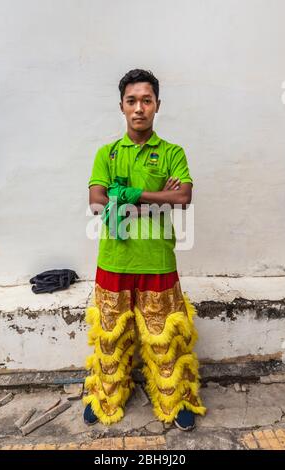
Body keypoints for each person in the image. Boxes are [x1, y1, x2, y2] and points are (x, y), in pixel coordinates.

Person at [83, 69, 206, 431]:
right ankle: (105, 396)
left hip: (157, 259)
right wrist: (156, 197)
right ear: (121, 106)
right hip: (114, 260)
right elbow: (95, 201)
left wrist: (129, 195)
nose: (139, 108)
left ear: (157, 106)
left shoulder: (172, 152)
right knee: (110, 337)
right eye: (132, 101)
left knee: (164, 336)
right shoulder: (107, 154)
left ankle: (175, 399)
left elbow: (182, 197)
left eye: (146, 100)